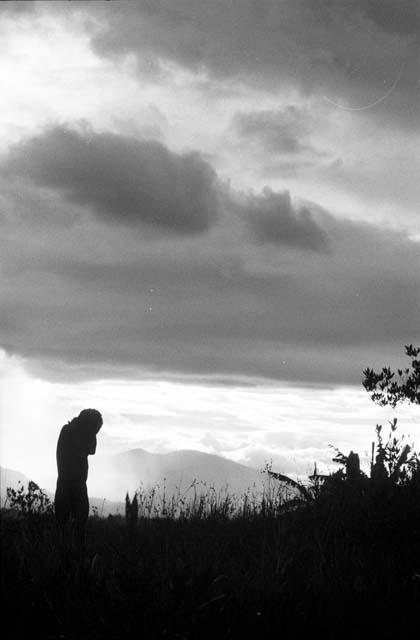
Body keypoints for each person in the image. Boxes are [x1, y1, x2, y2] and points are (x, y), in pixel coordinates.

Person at [54, 408, 103, 532]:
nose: (95, 433)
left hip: (69, 484)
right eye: (95, 429)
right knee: (74, 526)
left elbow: (91, 449)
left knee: (67, 526)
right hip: (72, 485)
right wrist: (90, 432)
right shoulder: (71, 432)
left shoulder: (69, 430)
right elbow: (91, 449)